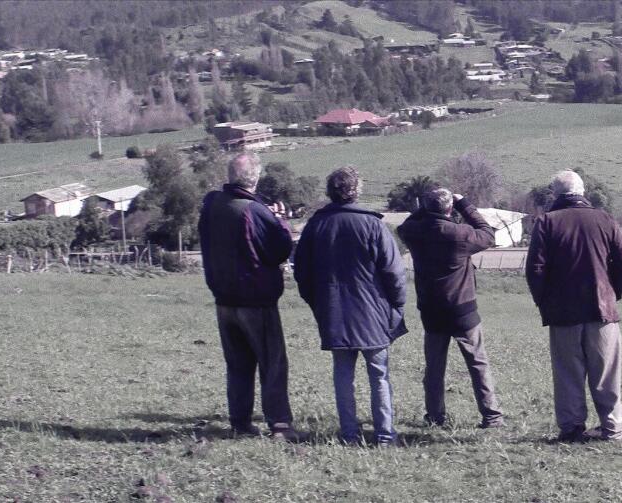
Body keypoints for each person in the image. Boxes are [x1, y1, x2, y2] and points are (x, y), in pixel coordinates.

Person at [294, 167, 408, 447]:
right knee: (379, 376)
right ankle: (384, 435)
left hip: (333, 312)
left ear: (330, 191)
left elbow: (302, 272)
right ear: (356, 190)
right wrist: (396, 304)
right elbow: (394, 272)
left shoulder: (315, 225)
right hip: (373, 313)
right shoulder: (373, 225)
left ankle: (349, 435)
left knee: (343, 377)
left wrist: (319, 303)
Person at [198, 152, 301, 440]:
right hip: (255, 300)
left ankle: (240, 424)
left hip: (223, 298)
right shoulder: (255, 212)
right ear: (255, 178)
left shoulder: (212, 205)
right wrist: (280, 220)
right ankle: (280, 425)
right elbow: (280, 249)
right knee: (272, 364)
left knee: (238, 365)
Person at [526, 170, 622, 443]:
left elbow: (535, 269)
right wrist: (613, 294)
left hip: (562, 313)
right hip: (602, 310)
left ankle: (572, 428)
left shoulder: (546, 222)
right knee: (606, 374)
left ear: (556, 194)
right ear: (582, 191)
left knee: (567, 374)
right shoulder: (604, 219)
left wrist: (544, 302)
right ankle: (614, 428)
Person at [396, 188, 504, 429]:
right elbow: (487, 233)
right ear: (449, 209)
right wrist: (464, 204)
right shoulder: (460, 234)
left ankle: (435, 416)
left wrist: (425, 207)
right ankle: (492, 416)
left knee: (434, 367)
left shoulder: (415, 232)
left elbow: (403, 227)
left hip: (431, 309)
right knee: (478, 363)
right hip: (462, 308)